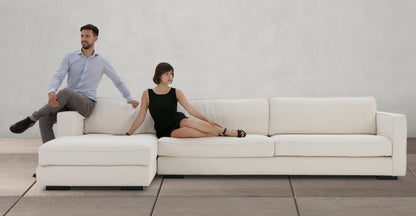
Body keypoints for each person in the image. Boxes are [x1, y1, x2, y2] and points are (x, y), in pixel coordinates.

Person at [10, 24, 139, 143]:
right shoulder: (70, 57)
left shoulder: (102, 62)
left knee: (67, 92)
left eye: (87, 36)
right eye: (82, 36)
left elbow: (117, 81)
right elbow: (58, 76)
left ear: (95, 39)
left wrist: (129, 98)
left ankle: (31, 118)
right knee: (45, 119)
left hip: (86, 105)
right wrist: (52, 91)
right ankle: (52, 156)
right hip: (66, 102)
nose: (84, 39)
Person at [123, 62, 246, 138]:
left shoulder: (176, 92)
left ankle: (229, 132)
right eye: (166, 74)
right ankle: (217, 134)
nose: (170, 76)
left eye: (171, 73)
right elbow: (141, 117)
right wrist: (128, 134)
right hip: (163, 128)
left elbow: (190, 109)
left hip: (177, 120)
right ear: (159, 75)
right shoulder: (147, 93)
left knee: (189, 122)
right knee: (188, 132)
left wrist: (207, 119)